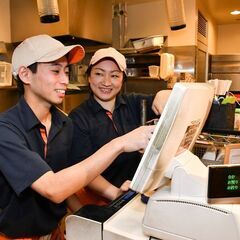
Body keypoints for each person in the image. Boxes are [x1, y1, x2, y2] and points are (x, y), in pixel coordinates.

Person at [0, 35, 155, 239]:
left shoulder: (63, 123)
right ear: (25, 75)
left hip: (54, 232)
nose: (65, 80)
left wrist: (89, 219)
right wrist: (121, 143)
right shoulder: (6, 129)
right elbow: (53, 188)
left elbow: (69, 183)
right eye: (55, 71)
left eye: (66, 71)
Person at [69, 47, 171, 205]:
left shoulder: (135, 103)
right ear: (88, 77)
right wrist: (115, 193)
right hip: (104, 198)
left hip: (138, 190)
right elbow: (83, 168)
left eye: (114, 75)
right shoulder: (78, 118)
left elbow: (165, 99)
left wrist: (163, 94)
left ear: (123, 80)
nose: (106, 82)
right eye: (99, 73)